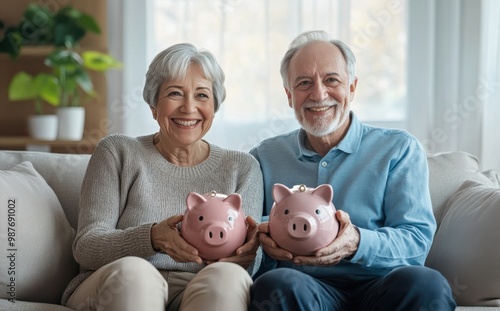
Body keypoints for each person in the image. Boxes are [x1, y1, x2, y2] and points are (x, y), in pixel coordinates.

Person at [248, 30, 456, 311]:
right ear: (289, 95)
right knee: (275, 285)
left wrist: (357, 242)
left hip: (381, 284)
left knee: (426, 284)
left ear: (352, 87)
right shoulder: (265, 156)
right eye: (304, 83)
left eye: (332, 80)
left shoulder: (398, 149)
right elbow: (248, 232)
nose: (318, 94)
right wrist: (267, 241)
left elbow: (416, 240)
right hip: (304, 287)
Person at [62, 42, 264, 311]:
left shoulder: (242, 167)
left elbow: (250, 259)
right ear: (153, 104)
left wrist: (243, 255)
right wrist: (152, 238)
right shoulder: (118, 152)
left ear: (214, 107)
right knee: (138, 275)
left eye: (202, 95)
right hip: (117, 285)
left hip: (196, 289)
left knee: (229, 279)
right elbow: (86, 246)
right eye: (175, 93)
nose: (189, 107)